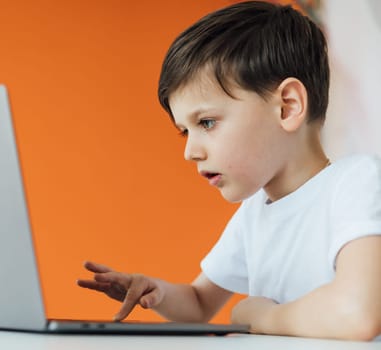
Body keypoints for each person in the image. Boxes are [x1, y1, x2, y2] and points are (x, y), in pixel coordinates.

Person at [77, 1, 381, 341]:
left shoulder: (357, 182)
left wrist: (262, 317)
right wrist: (156, 292)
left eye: (206, 122)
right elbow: (198, 304)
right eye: (184, 131)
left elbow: (357, 315)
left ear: (287, 107)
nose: (190, 151)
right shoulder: (254, 214)